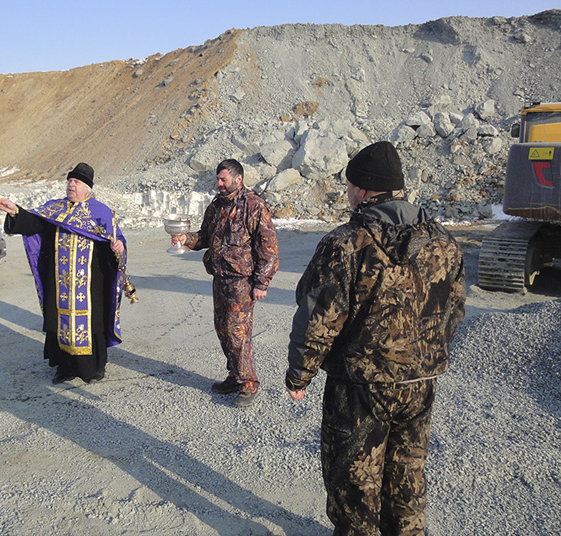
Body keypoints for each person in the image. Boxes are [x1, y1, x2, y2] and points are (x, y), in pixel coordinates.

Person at [285, 141, 466, 535]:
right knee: (407, 478)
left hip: (359, 389)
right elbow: (453, 311)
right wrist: (424, 357)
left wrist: (300, 373)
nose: (347, 193)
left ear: (363, 190)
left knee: (354, 484)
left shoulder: (345, 243)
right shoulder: (444, 243)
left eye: (350, 185)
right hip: (419, 384)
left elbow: (319, 314)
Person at [0, 163, 127, 384]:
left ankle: (93, 369)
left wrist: (119, 248)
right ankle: (65, 368)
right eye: (70, 181)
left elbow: (117, 240)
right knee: (60, 321)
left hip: (90, 283)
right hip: (59, 281)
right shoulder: (55, 209)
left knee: (91, 322)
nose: (71, 185)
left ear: (87, 188)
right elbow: (34, 223)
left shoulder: (101, 212)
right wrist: (15, 211)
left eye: (76, 182)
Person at [172, 159, 279, 407]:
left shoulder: (254, 206)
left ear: (238, 179)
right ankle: (234, 375)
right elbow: (205, 237)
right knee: (222, 328)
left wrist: (262, 283)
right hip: (220, 278)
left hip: (242, 281)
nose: (219, 183)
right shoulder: (216, 206)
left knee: (237, 331)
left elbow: (269, 248)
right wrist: (186, 239)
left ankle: (249, 383)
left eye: (224, 179)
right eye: (218, 179)